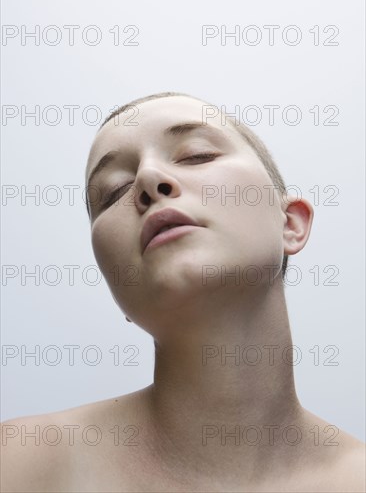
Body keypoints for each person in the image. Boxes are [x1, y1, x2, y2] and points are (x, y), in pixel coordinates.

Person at [2, 92, 365, 492]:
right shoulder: (20, 463)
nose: (147, 180)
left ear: (290, 224)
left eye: (197, 155)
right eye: (113, 191)